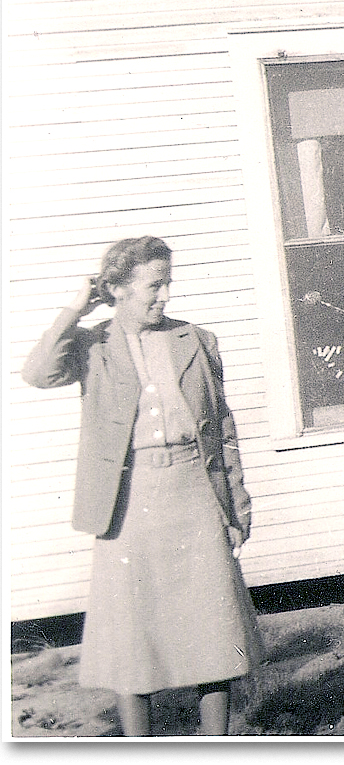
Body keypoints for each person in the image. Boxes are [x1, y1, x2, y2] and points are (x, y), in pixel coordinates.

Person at [22, 236, 264, 735]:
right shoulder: (92, 346)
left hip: (195, 492)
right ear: (117, 289)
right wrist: (76, 308)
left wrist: (236, 507)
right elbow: (39, 373)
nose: (165, 295)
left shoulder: (196, 341)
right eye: (154, 286)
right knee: (132, 635)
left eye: (168, 283)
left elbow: (223, 429)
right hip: (129, 501)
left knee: (211, 626)